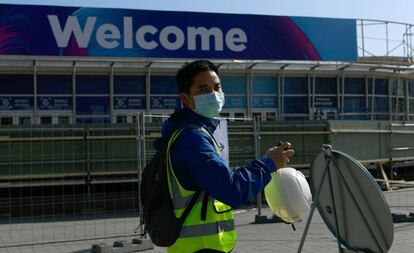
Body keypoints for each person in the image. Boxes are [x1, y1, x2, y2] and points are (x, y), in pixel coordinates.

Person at [153, 60, 294, 253]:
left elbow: (215, 180)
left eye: (217, 87)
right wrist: (267, 164)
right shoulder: (193, 139)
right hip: (201, 248)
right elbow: (230, 189)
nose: (213, 95)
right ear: (185, 99)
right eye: (203, 90)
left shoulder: (190, 133)